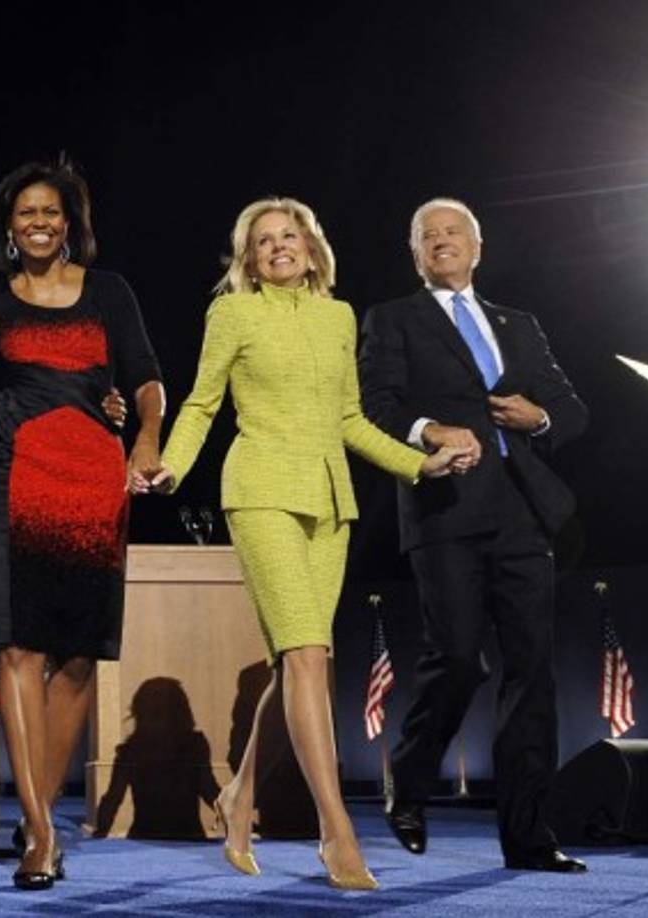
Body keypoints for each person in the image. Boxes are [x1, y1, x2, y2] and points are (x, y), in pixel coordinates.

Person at [149, 198, 469, 891]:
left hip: (329, 505)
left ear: (311, 248)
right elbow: (202, 402)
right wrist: (171, 464)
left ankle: (238, 796)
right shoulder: (232, 313)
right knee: (306, 653)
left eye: (287, 236)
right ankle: (336, 832)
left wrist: (418, 464)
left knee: (299, 666)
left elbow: (348, 419)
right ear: (249, 259)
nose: (277, 247)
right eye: (262, 241)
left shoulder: (337, 316)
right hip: (260, 490)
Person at [358, 198, 589, 872]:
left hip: (523, 514)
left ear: (476, 246)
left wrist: (536, 416)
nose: (439, 241)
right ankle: (411, 772)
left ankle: (528, 838)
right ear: (414, 253)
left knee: (531, 677)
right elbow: (375, 404)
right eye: (425, 235)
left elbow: (571, 409)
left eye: (451, 231)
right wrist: (427, 431)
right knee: (458, 659)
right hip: (444, 511)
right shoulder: (391, 319)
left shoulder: (518, 325)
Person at [0, 159, 164, 890]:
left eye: (50, 212)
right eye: (24, 214)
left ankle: (36, 810)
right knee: (16, 646)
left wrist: (144, 438)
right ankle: (41, 833)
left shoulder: (109, 292)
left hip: (90, 481)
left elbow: (144, 376)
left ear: (68, 223)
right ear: (7, 229)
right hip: (7, 475)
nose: (38, 222)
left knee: (75, 655)